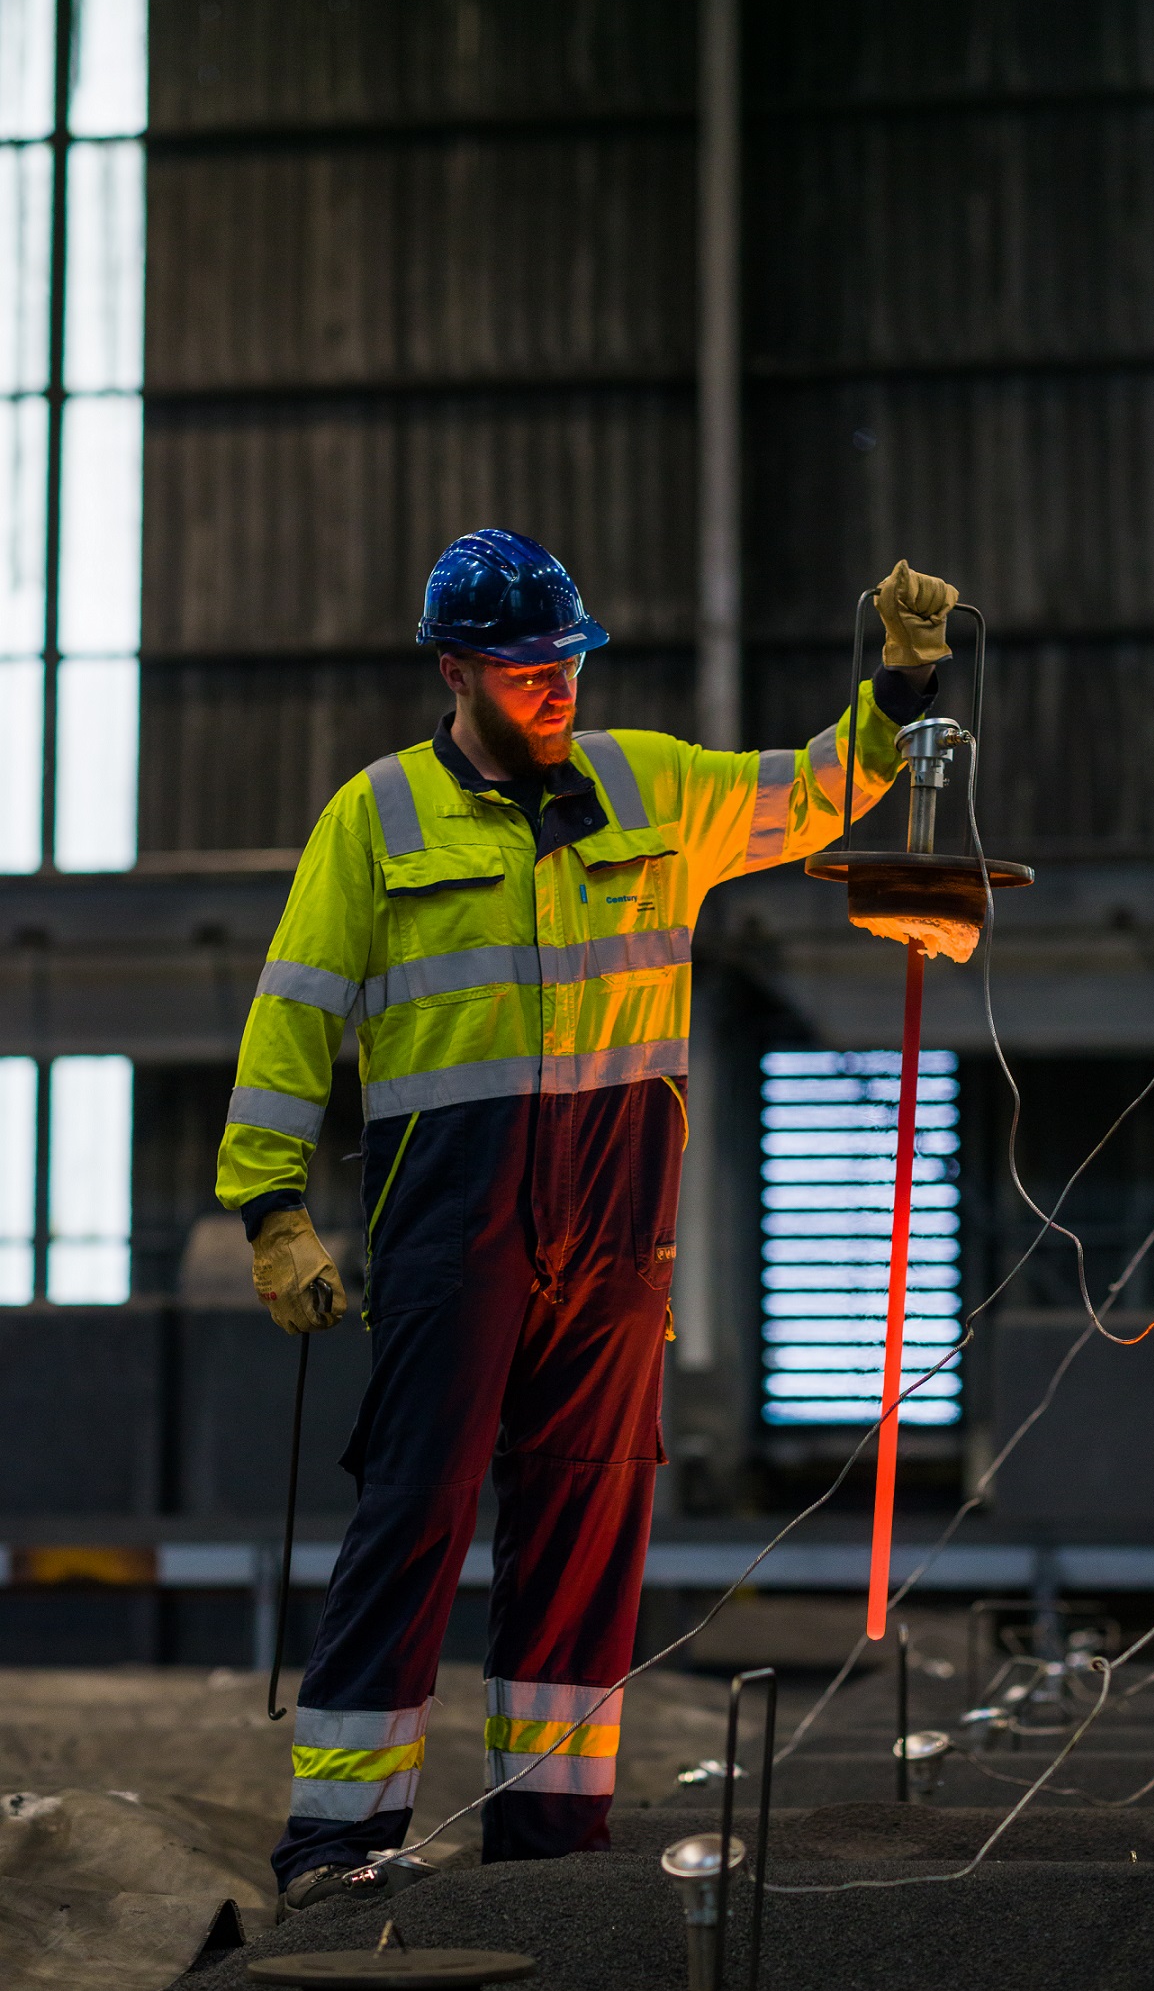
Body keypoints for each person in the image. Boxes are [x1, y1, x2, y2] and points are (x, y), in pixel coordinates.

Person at [215, 528, 954, 1915]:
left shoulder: (651, 786)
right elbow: (291, 1020)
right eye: (525, 668)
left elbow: (809, 795)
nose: (557, 687)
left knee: (591, 1515)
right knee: (414, 1514)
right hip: (454, 1226)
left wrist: (897, 699)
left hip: (618, 1230)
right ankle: (337, 1844)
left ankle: (547, 1844)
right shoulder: (373, 821)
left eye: (567, 662)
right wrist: (270, 1208)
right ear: (455, 673)